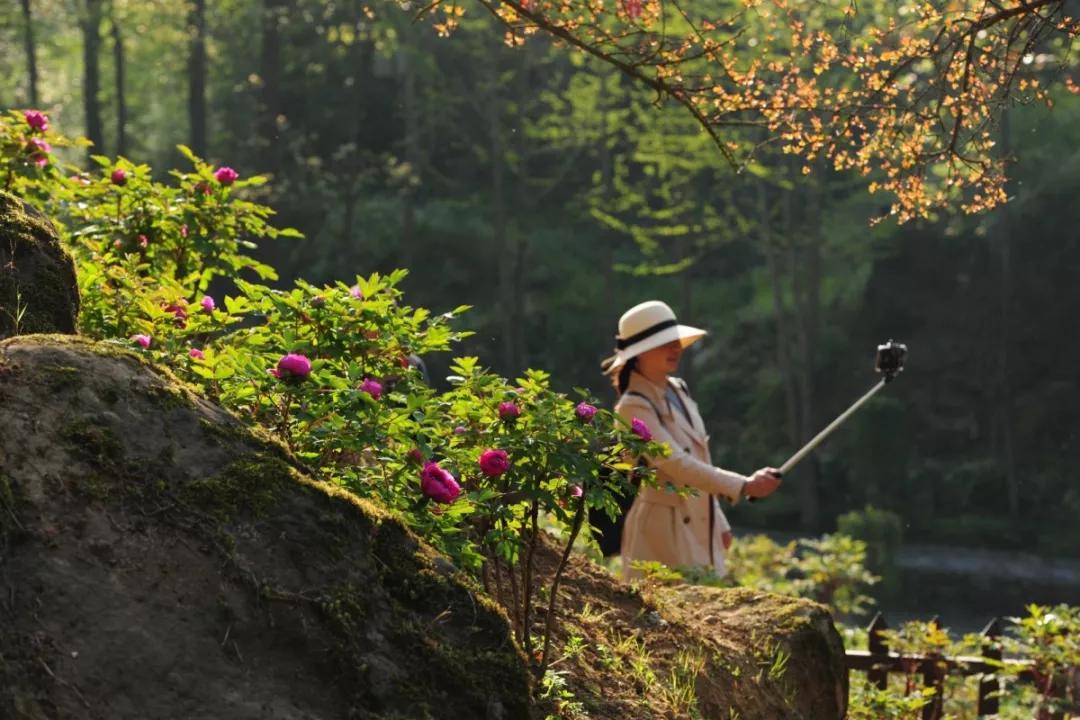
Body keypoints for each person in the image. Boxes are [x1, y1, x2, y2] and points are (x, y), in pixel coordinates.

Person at [601, 300, 782, 580]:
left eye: (676, 341)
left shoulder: (678, 389)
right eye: (664, 343)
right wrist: (744, 485)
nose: (675, 348)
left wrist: (718, 520)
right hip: (661, 531)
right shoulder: (632, 406)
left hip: (699, 519)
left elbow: (700, 458)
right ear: (640, 352)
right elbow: (675, 463)